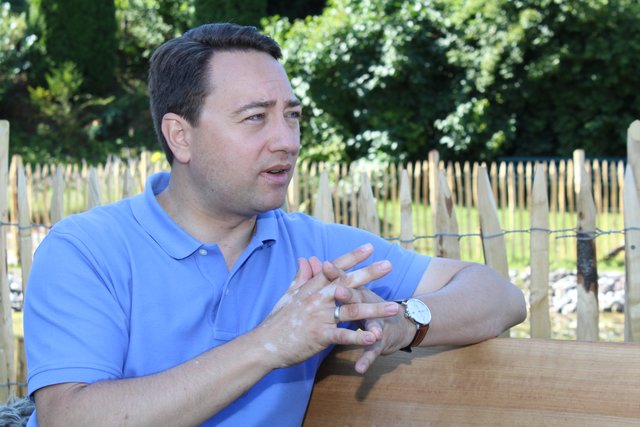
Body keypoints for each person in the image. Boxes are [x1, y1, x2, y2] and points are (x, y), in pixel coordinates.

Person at [23, 23, 526, 426]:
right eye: (256, 118)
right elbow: (69, 416)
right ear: (180, 137)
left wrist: (404, 322)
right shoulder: (85, 250)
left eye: (292, 116)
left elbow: (500, 296)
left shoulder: (316, 246)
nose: (287, 141)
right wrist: (269, 344)